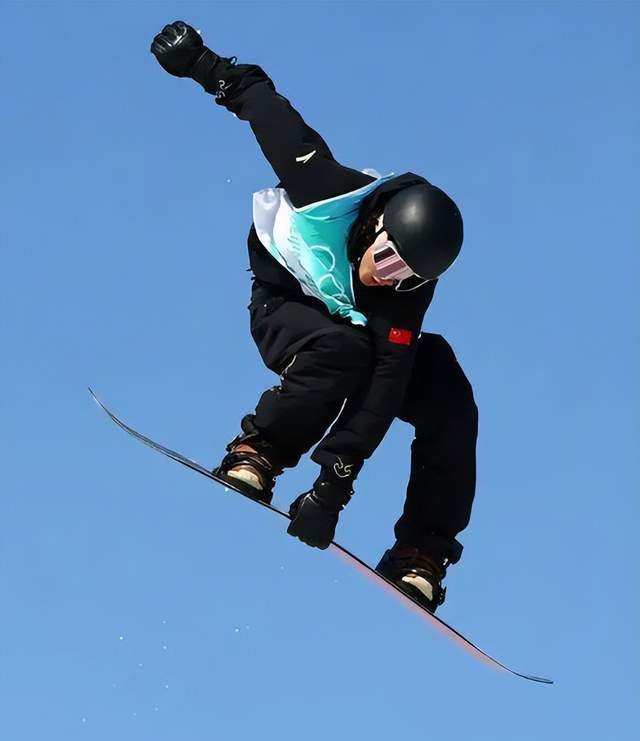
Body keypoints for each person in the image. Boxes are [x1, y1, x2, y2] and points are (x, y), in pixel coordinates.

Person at [150, 21, 478, 612]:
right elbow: (261, 103)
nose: (391, 279)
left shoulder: (405, 295)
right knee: (342, 348)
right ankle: (261, 449)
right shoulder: (321, 186)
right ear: (375, 226)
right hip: (286, 307)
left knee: (448, 393)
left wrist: (332, 487)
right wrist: (200, 63)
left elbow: (385, 389)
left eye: (409, 277)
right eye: (389, 260)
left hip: (358, 341)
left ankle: (421, 551)